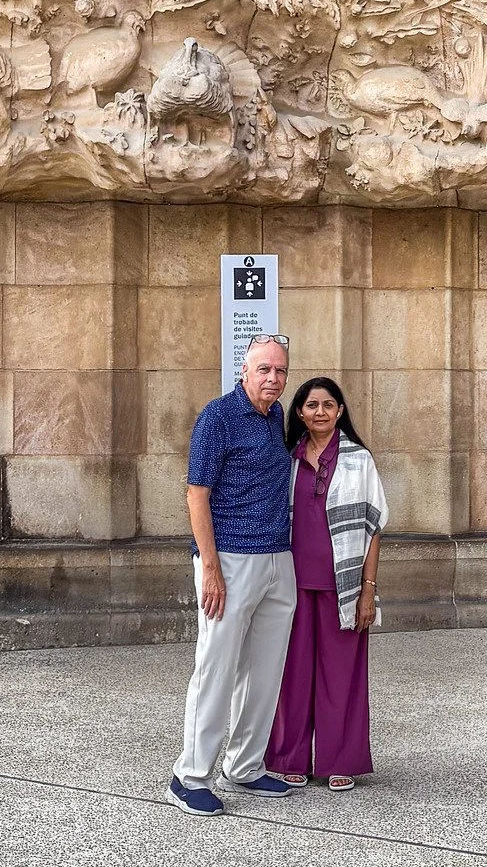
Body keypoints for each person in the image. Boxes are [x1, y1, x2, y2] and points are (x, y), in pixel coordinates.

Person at [168, 335, 297, 817]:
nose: (273, 378)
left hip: (277, 559)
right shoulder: (217, 417)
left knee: (263, 672)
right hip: (230, 559)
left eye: (280, 371)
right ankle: (189, 776)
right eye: (264, 369)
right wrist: (210, 569)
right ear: (244, 371)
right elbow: (196, 494)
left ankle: (244, 764)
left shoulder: (276, 416)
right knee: (216, 668)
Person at [267, 376, 389, 791]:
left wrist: (368, 590)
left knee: (342, 678)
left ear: (340, 411)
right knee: (293, 676)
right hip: (291, 584)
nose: (320, 412)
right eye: (311, 405)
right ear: (300, 413)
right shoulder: (286, 459)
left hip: (344, 587)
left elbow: (374, 527)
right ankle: (291, 757)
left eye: (328, 405)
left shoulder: (359, 460)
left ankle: (340, 760)